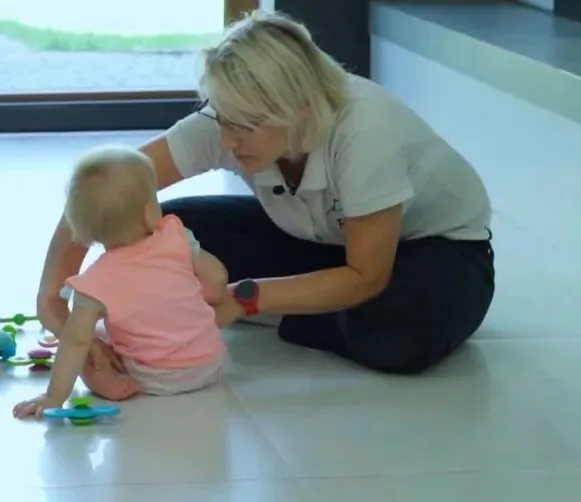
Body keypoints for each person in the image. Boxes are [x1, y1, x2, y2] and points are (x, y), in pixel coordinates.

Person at [36, 9, 495, 376]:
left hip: (431, 251)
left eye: (244, 126)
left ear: (300, 107)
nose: (228, 140)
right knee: (154, 231)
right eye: (223, 120)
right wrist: (52, 297)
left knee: (399, 335)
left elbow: (367, 276)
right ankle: (308, 302)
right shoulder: (230, 118)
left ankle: (299, 312)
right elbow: (107, 192)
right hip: (320, 242)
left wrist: (244, 298)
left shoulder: (364, 130)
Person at [14, 145, 229, 417]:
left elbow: (76, 342)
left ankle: (110, 383)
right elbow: (217, 277)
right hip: (210, 363)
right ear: (149, 212)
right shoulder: (176, 236)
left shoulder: (93, 285)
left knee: (88, 339)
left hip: (152, 377)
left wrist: (53, 396)